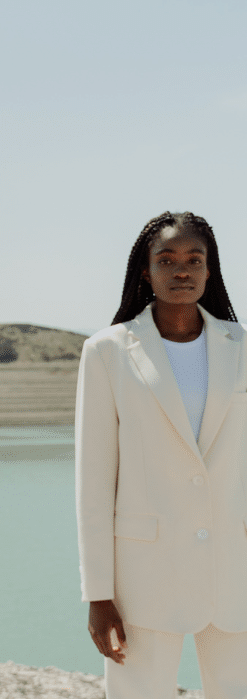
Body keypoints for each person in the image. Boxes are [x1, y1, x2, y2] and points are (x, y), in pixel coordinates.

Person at [75, 211, 247, 699]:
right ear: (145, 272)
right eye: (166, 259)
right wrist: (98, 594)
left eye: (195, 259)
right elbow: (93, 480)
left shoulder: (243, 348)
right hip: (142, 577)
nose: (182, 270)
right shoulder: (107, 352)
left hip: (235, 569)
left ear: (210, 270)